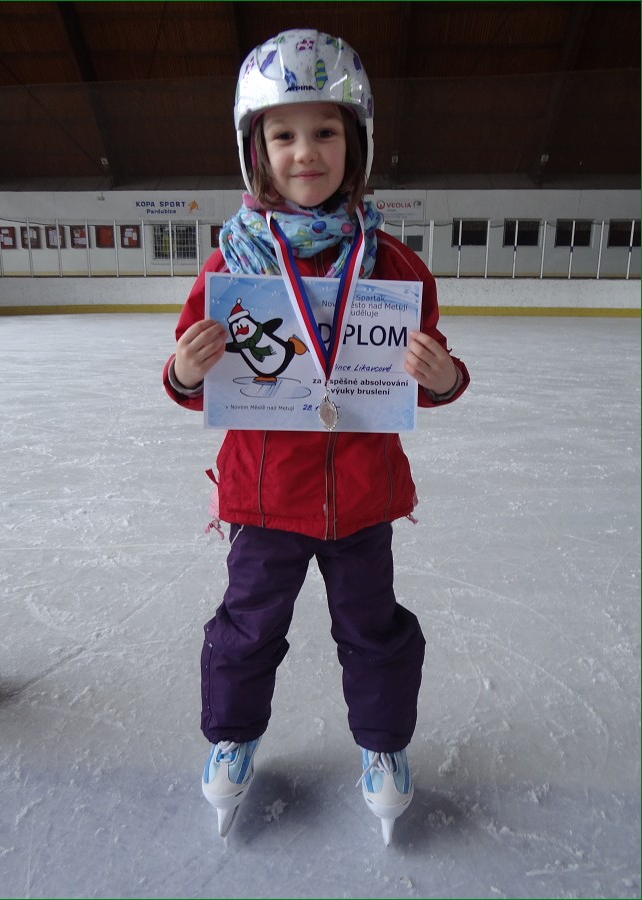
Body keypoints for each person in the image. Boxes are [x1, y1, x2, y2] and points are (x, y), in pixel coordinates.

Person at [163, 28, 469, 844]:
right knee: (247, 627)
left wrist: (442, 376)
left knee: (373, 633)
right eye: (283, 135)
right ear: (255, 151)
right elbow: (189, 379)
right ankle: (233, 735)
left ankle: (382, 745)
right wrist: (187, 369)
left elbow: (427, 373)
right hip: (264, 499)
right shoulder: (232, 264)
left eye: (325, 131)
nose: (305, 152)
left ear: (354, 142)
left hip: (361, 500)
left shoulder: (394, 267)